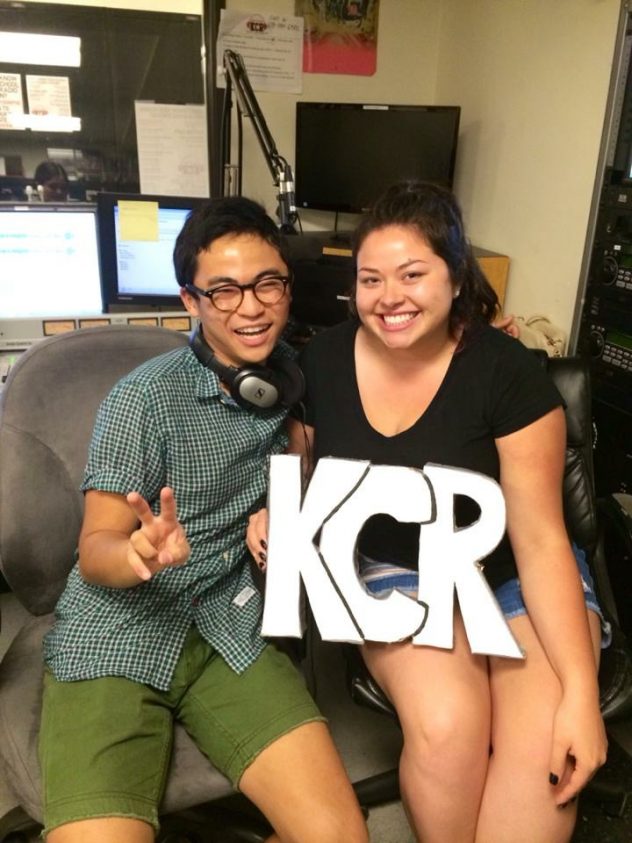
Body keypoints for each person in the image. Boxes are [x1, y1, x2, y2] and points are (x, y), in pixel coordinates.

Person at [247, 181, 609, 843]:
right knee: (449, 728)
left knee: (541, 743)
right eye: (371, 278)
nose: (390, 297)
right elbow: (295, 456)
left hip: (508, 568)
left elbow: (540, 538)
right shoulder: (322, 360)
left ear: (455, 275)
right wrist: (276, 505)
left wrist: (582, 695)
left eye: (413, 273)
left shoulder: (507, 373)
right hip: (389, 568)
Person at [39, 196, 369, 843]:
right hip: (118, 631)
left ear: (286, 287)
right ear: (191, 302)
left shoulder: (291, 387)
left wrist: (284, 499)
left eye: (267, 283)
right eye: (224, 291)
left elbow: (313, 468)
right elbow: (95, 547)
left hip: (229, 624)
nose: (251, 307)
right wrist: (138, 553)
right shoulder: (143, 400)